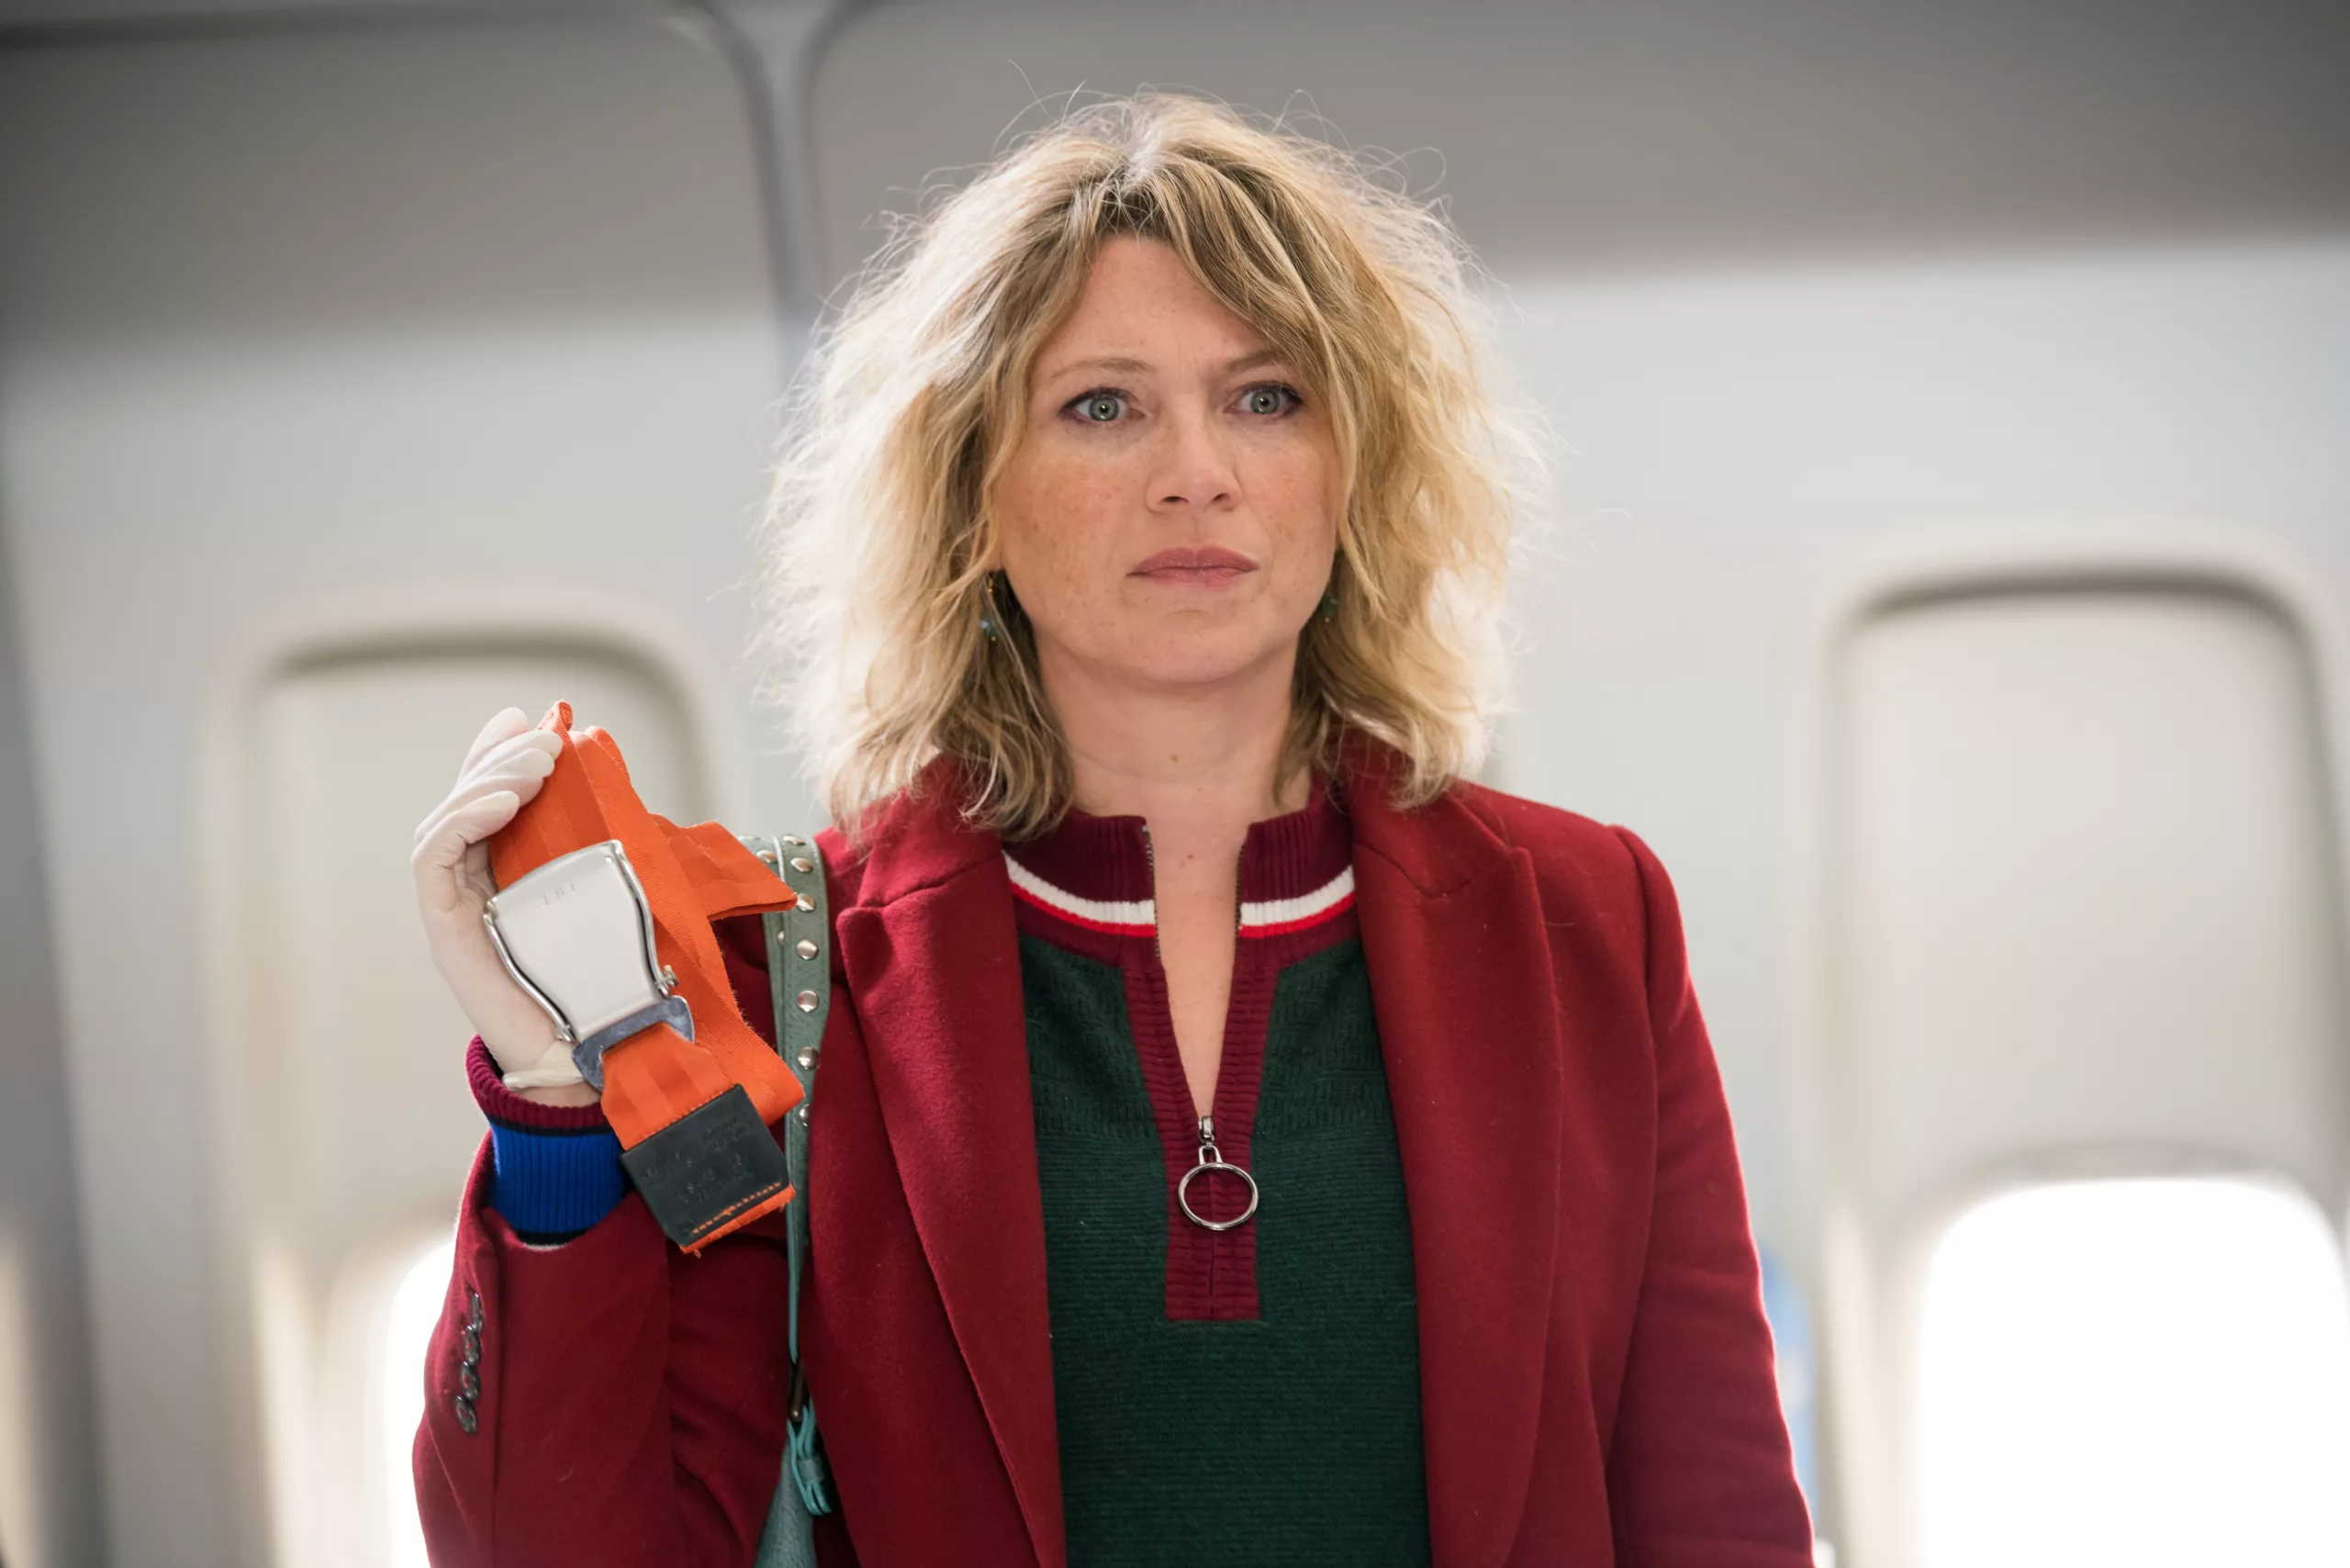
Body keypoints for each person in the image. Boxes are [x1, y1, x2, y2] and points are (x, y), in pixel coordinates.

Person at [408, 94, 1812, 1568]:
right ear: (972, 497)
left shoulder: (1587, 918)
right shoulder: (778, 973)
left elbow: (1715, 1517)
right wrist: (554, 1095)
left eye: (1267, 398)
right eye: (1103, 406)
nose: (1197, 470)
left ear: (1355, 472)